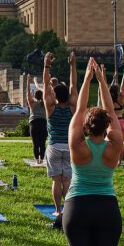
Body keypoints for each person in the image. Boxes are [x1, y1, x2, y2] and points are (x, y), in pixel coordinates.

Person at [63, 57, 124, 246]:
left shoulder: (78, 145)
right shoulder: (115, 146)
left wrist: (87, 78)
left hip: (78, 208)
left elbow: (78, 110)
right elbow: (111, 114)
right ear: (107, 126)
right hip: (107, 208)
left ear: (87, 127)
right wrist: (102, 80)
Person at [44, 51, 79, 218]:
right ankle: (68, 210)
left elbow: (45, 86)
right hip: (69, 147)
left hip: (54, 146)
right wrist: (72, 65)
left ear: (55, 96)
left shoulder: (51, 108)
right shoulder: (73, 107)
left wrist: (46, 65)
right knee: (67, 181)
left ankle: (58, 210)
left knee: (56, 181)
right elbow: (74, 84)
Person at [27, 85, 47, 165]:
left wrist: (28, 82)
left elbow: (28, 94)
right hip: (43, 123)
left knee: (35, 143)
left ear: (35, 96)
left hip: (34, 123)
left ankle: (37, 160)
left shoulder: (32, 103)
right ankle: (41, 159)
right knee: (42, 143)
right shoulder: (45, 103)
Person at [109, 68, 124, 136]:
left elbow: (106, 89)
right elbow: (123, 84)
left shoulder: (108, 100)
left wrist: (113, 79)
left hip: (111, 122)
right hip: (120, 121)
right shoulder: (120, 99)